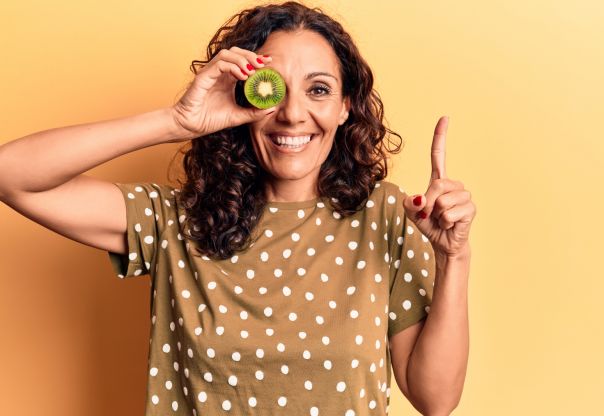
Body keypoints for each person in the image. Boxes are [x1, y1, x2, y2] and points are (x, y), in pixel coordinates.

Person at [0, 1, 475, 415]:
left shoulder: (385, 214)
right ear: (244, 95)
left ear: (346, 106)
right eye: (274, 89)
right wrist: (175, 121)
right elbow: (12, 175)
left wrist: (454, 257)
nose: (292, 113)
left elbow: (435, 399)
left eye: (319, 89)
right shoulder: (177, 220)